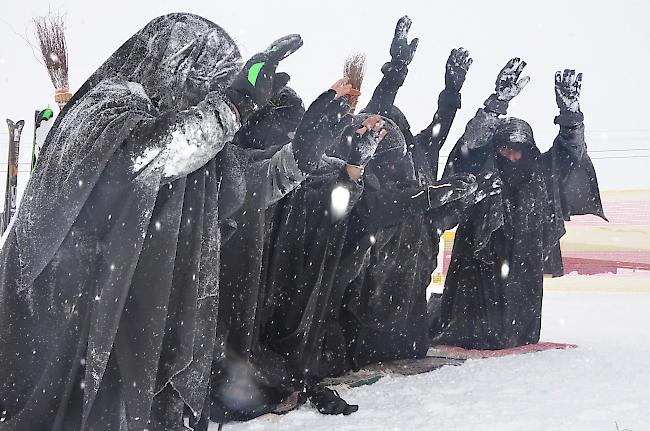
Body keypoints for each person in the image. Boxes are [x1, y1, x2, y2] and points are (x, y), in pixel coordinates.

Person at [0, 13, 303, 430]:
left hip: (115, 316)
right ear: (175, 63)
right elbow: (148, 154)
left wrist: (300, 157)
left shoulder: (176, 134)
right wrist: (232, 107)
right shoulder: (104, 106)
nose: (203, 99)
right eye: (202, 84)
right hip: (62, 317)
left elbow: (236, 193)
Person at [323, 16, 481, 372]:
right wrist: (394, 72)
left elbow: (441, 127)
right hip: (375, 273)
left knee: (406, 316)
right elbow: (376, 119)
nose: (388, 133)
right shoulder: (365, 169)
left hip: (412, 271)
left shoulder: (419, 152)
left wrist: (452, 91)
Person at [209, 78, 371, 422]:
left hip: (275, 302)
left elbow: (332, 203)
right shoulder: (230, 168)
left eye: (298, 132)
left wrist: (353, 169)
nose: (292, 140)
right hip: (233, 311)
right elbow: (272, 175)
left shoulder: (298, 171)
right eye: (288, 131)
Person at [430, 61, 606, 350]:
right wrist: (496, 103)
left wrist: (570, 115)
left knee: (516, 330)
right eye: (505, 148)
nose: (512, 157)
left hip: (524, 259)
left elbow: (572, 150)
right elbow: (471, 142)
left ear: (530, 150)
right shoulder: (480, 168)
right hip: (478, 261)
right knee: (470, 328)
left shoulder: (542, 170)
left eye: (519, 150)